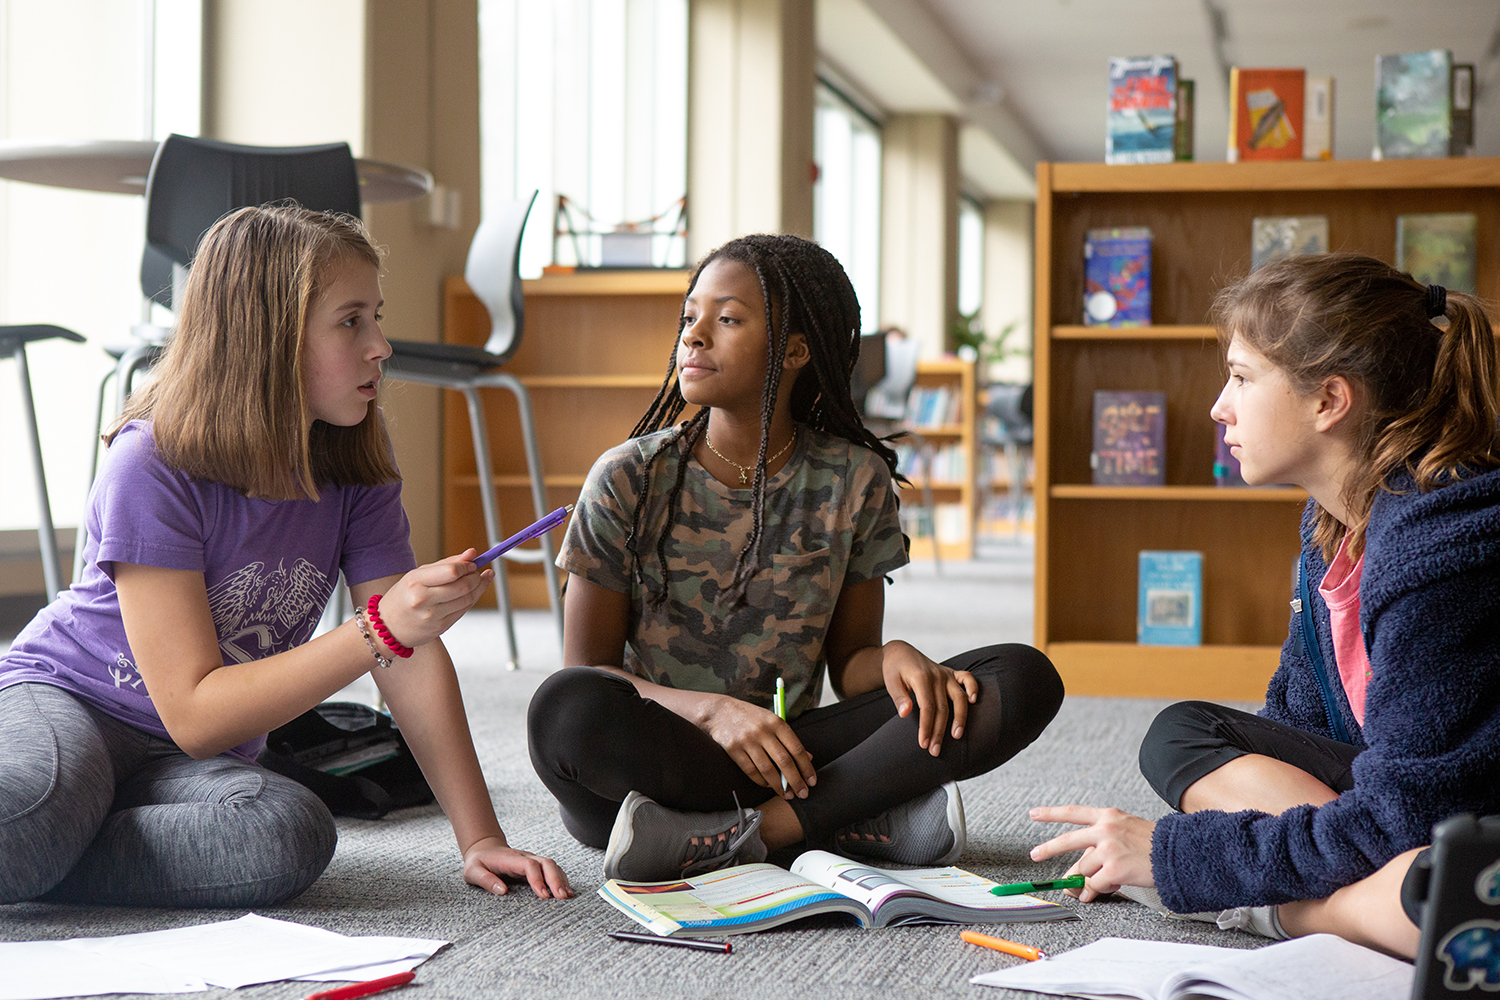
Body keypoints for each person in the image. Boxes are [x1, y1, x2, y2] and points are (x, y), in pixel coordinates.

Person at [0, 205, 572, 907]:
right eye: (351, 321)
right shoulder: (152, 461)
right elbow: (197, 710)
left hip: (186, 759)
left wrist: (480, 838)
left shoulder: (356, 450)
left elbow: (406, 656)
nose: (381, 346)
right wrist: (378, 629)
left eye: (377, 318)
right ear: (266, 337)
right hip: (71, 698)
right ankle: (49, 838)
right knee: (36, 807)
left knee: (285, 830)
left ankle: (53, 855)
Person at [527, 233, 1064, 882]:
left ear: (796, 350)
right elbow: (590, 672)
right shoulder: (626, 477)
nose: (694, 336)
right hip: (657, 755)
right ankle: (847, 815)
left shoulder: (855, 480)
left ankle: (758, 831)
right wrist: (713, 712)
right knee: (564, 712)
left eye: (726, 319)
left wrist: (892, 657)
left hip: (792, 751)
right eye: (689, 317)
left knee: (1018, 676)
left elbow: (852, 665)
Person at [1030, 252, 1500, 958]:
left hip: (1462, 817)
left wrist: (1178, 859)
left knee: (1393, 856)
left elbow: (1411, 808)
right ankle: (1377, 890)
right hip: (1406, 807)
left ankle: (1310, 912)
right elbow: (1296, 730)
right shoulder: (1331, 527)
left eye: (1243, 378)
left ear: (1329, 401)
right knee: (1180, 734)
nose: (1220, 404)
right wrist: (1253, 851)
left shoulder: (1439, 540)